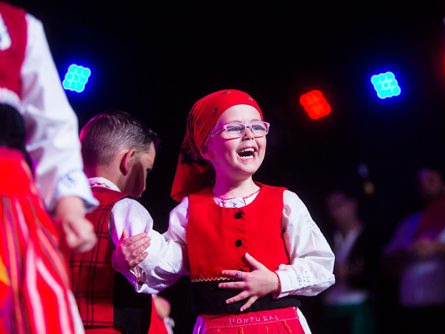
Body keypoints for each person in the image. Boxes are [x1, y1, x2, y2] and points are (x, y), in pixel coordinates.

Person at [114, 88, 335, 333]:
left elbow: (321, 266)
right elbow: (165, 266)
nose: (249, 135)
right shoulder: (189, 210)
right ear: (206, 149)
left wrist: (276, 280)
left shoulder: (285, 201)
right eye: (234, 128)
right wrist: (130, 263)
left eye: (257, 127)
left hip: (281, 326)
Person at [0, 2, 98, 333]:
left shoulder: (18, 26)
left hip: (6, 194)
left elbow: (52, 123)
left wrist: (68, 201)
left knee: (28, 303)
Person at [68, 110, 161, 333]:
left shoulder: (53, 206)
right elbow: (159, 269)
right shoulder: (126, 208)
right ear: (128, 160)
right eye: (146, 170)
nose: (145, 186)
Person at [382, 166, 445, 334]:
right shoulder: (410, 222)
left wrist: (438, 248)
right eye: (421, 182)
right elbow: (386, 260)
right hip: (414, 312)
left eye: (431, 180)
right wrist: (408, 253)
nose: (425, 185)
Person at [321, 190, 380, 334]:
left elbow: (376, 271)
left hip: (358, 304)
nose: (335, 212)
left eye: (339, 205)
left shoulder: (370, 236)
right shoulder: (328, 236)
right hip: (331, 306)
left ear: (352, 204)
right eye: (331, 207)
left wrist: (352, 272)